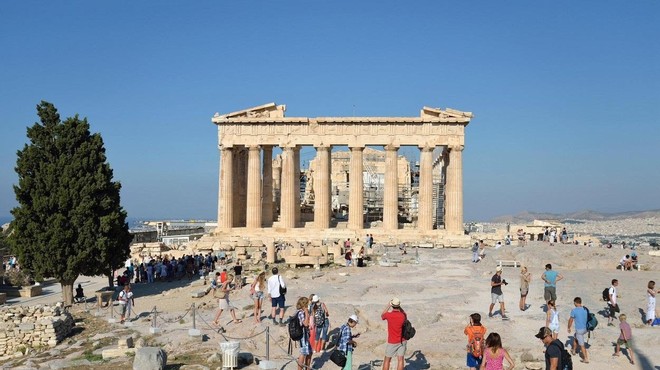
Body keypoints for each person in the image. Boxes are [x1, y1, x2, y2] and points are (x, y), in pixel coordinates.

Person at [381, 297, 406, 370]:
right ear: (399, 305)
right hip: (402, 340)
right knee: (400, 359)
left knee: (387, 360)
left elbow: (382, 315)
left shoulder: (389, 315)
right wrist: (398, 306)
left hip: (392, 341)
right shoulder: (403, 315)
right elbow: (404, 313)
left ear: (392, 305)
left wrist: (388, 305)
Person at [567, 296, 589, 363]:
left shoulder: (574, 310)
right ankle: (573, 350)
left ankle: (585, 358)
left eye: (574, 303)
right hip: (586, 329)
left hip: (579, 329)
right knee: (575, 337)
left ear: (576, 303)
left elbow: (571, 320)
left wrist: (569, 327)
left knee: (582, 345)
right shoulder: (585, 309)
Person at [295, 296, 312, 370]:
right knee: (303, 353)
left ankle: (307, 368)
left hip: (306, 335)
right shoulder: (301, 313)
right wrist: (306, 312)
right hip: (303, 336)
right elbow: (305, 324)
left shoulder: (300, 312)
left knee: (309, 352)